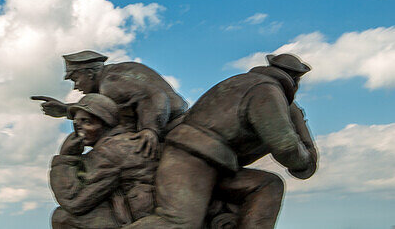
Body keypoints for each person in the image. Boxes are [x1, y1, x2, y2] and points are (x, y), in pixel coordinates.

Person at [128, 54, 317, 229]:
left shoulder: (241, 82)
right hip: (193, 156)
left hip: (217, 163)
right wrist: (304, 162)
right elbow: (285, 146)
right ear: (296, 80)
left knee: (268, 184)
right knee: (178, 222)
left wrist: (296, 118)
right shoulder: (266, 91)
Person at [33, 50, 187, 157]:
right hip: (167, 122)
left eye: (76, 79)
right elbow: (103, 109)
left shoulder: (110, 84)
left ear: (89, 73)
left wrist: (150, 129)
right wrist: (65, 110)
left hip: (170, 124)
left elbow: (155, 96)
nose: (76, 86)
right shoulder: (111, 79)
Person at [50, 93, 156, 229]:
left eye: (87, 122)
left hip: (137, 218)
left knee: (62, 217)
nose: (78, 130)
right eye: (76, 124)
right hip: (136, 210)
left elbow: (73, 202)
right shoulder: (122, 141)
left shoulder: (110, 151)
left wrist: (66, 157)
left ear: (105, 123)